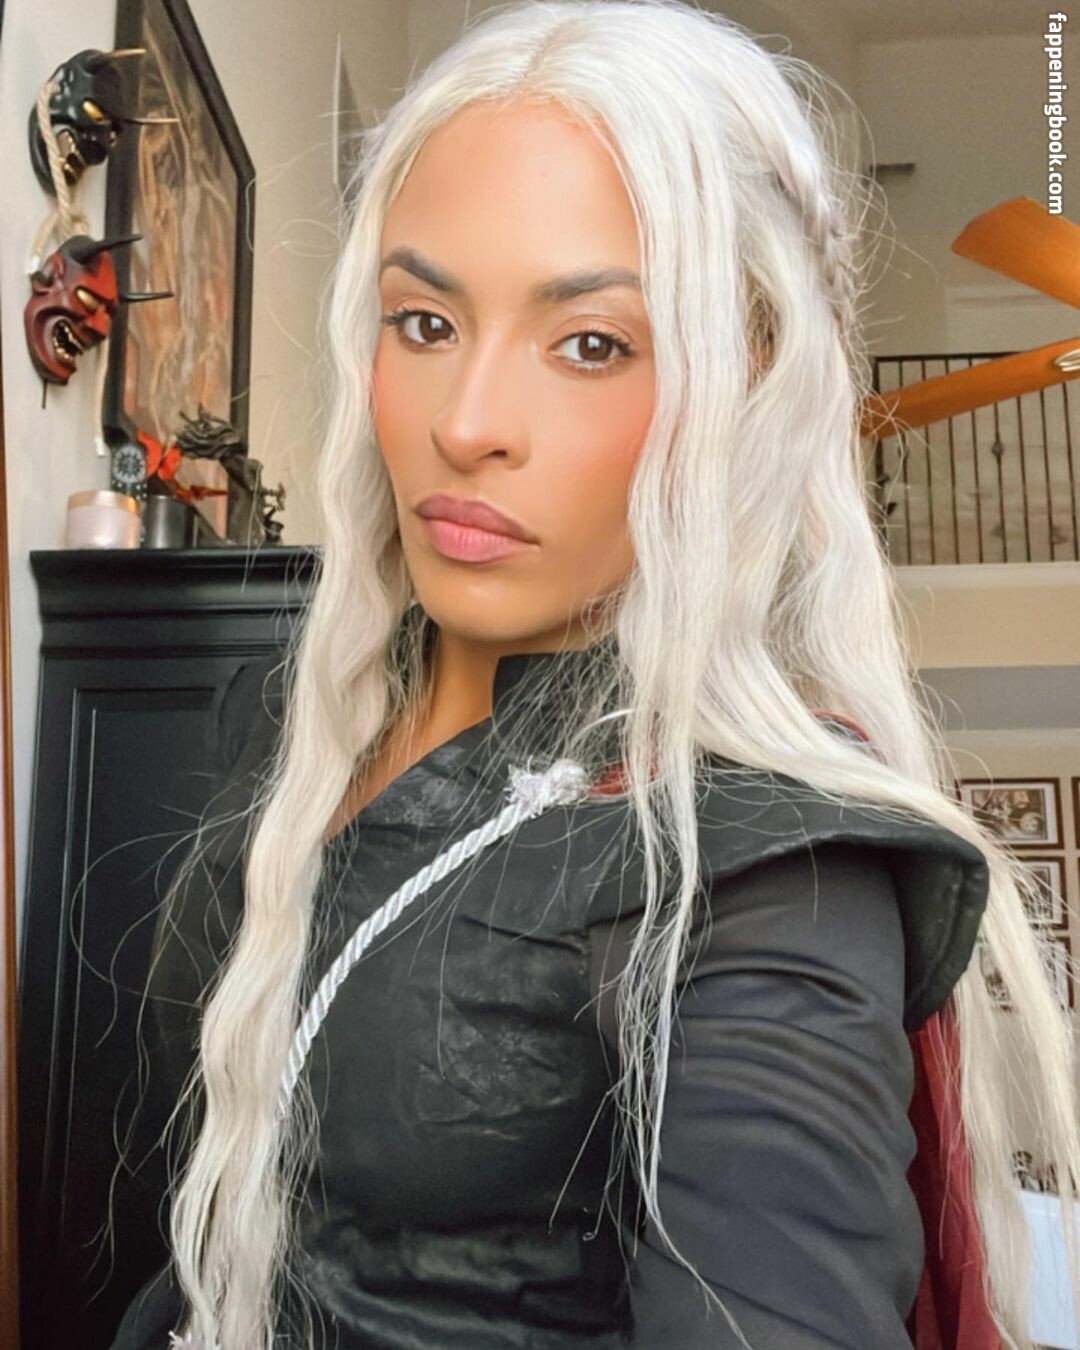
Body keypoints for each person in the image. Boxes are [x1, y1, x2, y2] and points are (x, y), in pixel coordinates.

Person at [107, 3, 1080, 1347]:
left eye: (590, 344)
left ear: (742, 385)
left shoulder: (770, 870)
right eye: (424, 320)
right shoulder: (293, 716)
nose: (466, 424)